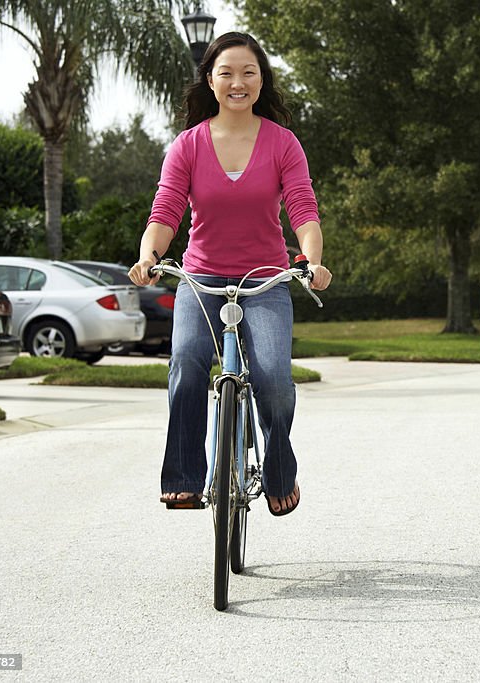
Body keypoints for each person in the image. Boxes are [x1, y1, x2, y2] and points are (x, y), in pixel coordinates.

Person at [128, 32, 331, 517]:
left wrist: (312, 260)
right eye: (227, 73)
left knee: (273, 380)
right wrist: (149, 255)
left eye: (248, 72)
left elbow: (302, 208)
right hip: (201, 281)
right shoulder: (187, 145)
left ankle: (280, 470)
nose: (238, 82)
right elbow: (167, 208)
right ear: (211, 81)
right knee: (186, 363)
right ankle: (183, 478)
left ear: (261, 80)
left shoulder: (283, 143)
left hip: (266, 282)